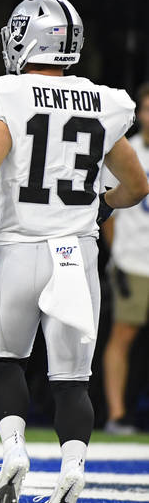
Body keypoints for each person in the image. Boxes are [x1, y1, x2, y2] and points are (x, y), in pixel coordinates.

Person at [0, 0, 149, 503]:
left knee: (9, 362)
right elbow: (137, 186)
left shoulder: (7, 92)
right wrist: (102, 206)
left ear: (27, 37)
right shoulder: (106, 101)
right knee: (71, 379)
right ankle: (73, 467)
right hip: (76, 251)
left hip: (20, 248)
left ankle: (15, 450)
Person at [101, 82, 149, 435]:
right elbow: (107, 211)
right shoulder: (124, 152)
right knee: (123, 336)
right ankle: (116, 414)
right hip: (133, 261)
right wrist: (116, 257)